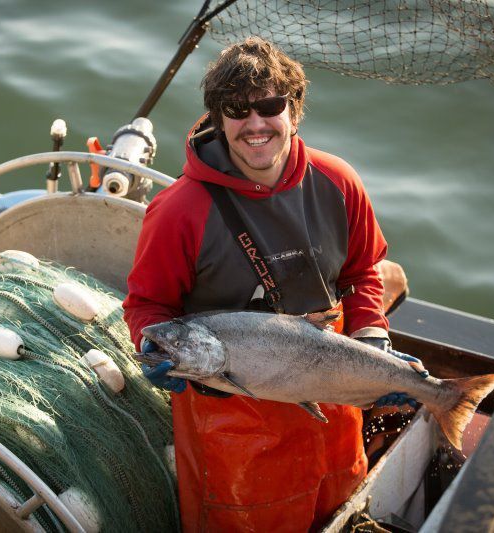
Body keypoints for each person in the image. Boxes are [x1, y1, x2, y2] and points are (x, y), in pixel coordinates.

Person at [123, 36, 424, 532]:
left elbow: (364, 272)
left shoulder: (337, 180)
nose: (255, 123)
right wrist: (151, 348)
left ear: (295, 110)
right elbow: (147, 305)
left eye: (270, 105)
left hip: (333, 391)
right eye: (237, 110)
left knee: (338, 508)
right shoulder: (178, 211)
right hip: (232, 424)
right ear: (218, 120)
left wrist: (374, 342)